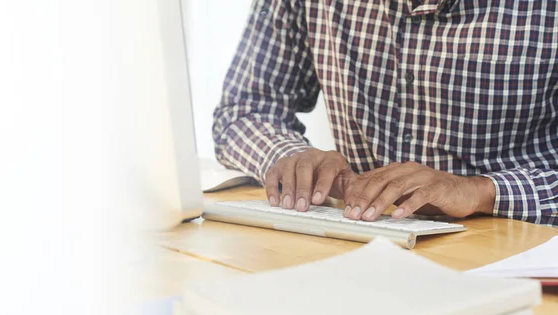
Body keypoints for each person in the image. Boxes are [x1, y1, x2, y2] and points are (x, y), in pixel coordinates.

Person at [212, 0, 558, 226]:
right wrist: (295, 160)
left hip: (515, 255)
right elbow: (245, 108)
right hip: (364, 241)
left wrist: (479, 192)